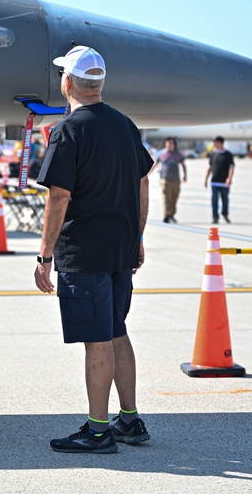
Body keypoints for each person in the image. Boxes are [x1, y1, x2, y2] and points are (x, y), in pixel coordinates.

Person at [34, 45, 153, 454]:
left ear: (67, 82)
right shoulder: (125, 125)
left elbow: (59, 196)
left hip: (84, 252)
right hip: (122, 248)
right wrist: (137, 237)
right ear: (99, 84)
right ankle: (131, 419)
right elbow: (142, 182)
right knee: (117, 330)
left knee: (97, 340)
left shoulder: (68, 130)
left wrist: (45, 256)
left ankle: (99, 430)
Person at [150, 136, 187, 223]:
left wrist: (185, 175)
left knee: (175, 197)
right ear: (165, 144)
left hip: (176, 180)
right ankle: (167, 215)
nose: (170, 145)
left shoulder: (178, 154)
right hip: (165, 179)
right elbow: (155, 164)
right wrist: (148, 174)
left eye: (171, 143)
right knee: (167, 198)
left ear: (174, 144)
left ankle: (172, 214)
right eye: (168, 143)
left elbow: (183, 164)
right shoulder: (161, 153)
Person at [205, 136, 235, 224]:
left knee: (225, 200)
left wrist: (229, 178)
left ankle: (225, 214)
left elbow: (231, 167)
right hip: (214, 181)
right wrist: (206, 179)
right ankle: (215, 217)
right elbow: (209, 167)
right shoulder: (213, 154)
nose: (214, 144)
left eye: (216, 142)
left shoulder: (228, 154)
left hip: (224, 182)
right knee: (214, 200)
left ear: (221, 143)